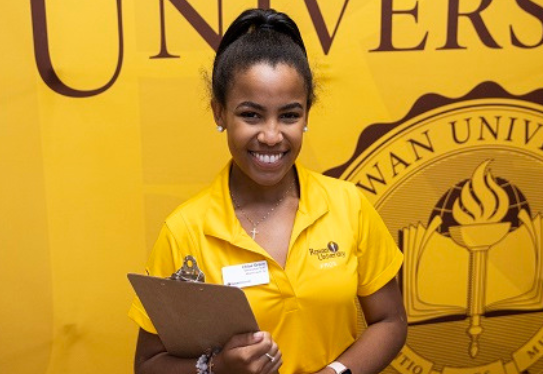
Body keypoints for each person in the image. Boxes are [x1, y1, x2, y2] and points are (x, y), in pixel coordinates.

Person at [130, 8, 407, 374]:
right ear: (219, 113)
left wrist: (335, 373)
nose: (272, 135)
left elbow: (390, 322)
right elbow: (148, 365)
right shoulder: (185, 231)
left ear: (307, 114)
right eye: (251, 114)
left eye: (289, 115)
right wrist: (216, 369)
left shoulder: (348, 205)